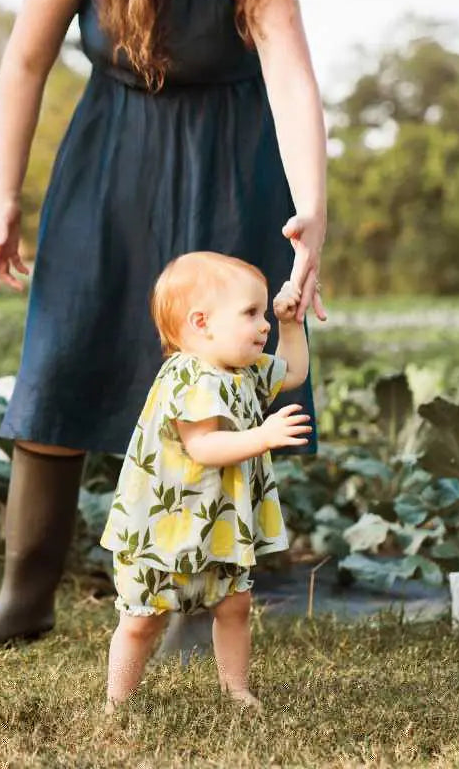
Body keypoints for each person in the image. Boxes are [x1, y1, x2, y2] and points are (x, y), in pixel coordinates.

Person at [0, 0, 327, 652]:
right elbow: (25, 61)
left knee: (218, 381)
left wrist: (314, 214)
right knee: (63, 358)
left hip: (230, 166)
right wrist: (5, 200)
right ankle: (23, 600)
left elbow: (294, 80)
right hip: (109, 163)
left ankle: (202, 600)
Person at [102, 252, 312, 712]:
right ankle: (118, 700)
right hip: (165, 529)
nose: (264, 327)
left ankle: (235, 688)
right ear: (202, 323)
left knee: (235, 607)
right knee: (141, 621)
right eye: (251, 314)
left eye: (264, 315)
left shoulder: (242, 370)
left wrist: (292, 324)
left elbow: (294, 372)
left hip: (218, 526)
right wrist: (262, 436)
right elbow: (204, 448)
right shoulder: (191, 377)